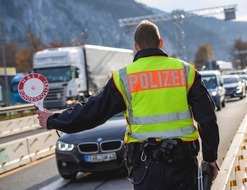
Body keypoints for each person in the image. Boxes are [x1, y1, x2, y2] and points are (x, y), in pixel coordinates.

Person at [37, 20, 219, 190]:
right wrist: (210, 158)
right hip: (182, 165)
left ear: (136, 47)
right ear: (161, 43)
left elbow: (91, 112)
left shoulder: (124, 78)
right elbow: (208, 119)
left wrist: (54, 120)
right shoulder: (185, 71)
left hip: (145, 166)